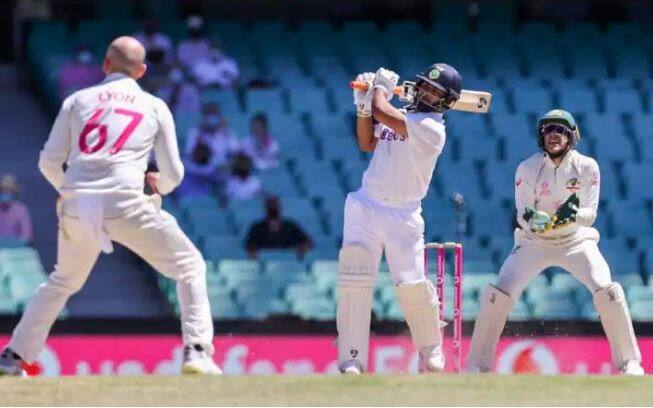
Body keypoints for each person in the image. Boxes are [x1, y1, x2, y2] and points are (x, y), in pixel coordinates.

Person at [0, 37, 220, 376]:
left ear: (105, 65)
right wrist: (156, 187)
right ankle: (197, 353)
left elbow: (48, 162)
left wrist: (71, 191)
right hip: (126, 200)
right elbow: (174, 174)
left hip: (77, 203)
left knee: (62, 282)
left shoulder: (77, 100)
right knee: (190, 267)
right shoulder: (154, 106)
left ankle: (14, 356)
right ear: (142, 71)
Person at [466, 109, 644, 376]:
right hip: (534, 241)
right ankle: (477, 367)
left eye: (561, 130)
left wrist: (568, 216)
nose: (554, 135)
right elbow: (523, 211)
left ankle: (630, 363)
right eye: (549, 130)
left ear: (572, 136)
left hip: (576, 241)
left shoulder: (587, 167)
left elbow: (590, 214)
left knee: (609, 292)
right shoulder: (527, 167)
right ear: (541, 136)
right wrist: (534, 220)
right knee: (496, 294)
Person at [337, 64, 462, 374]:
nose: (427, 93)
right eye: (425, 86)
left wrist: (377, 90)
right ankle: (352, 358)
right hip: (365, 205)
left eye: (436, 92)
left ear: (446, 102)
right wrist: (363, 107)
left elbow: (383, 111)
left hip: (403, 214)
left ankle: (431, 348)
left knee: (410, 284)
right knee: (354, 277)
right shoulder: (402, 115)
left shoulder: (433, 129)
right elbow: (367, 142)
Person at [176, 102, 239, 198]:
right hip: (199, 171)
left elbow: (236, 154)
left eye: (215, 115)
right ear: (203, 117)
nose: (212, 119)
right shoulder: (194, 132)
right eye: (209, 115)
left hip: (221, 171)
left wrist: (227, 165)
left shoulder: (226, 134)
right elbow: (190, 155)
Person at [245, 196, 313, 259]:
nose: (273, 208)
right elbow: (249, 245)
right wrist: (252, 250)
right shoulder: (257, 228)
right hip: (264, 262)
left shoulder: (290, 226)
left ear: (280, 208)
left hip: (288, 262)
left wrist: (303, 247)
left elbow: (308, 242)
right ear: (265, 208)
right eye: (270, 207)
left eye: (275, 206)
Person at [0, 175, 33, 243]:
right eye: (3, 190)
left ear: (15, 192)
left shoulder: (21, 210)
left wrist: (14, 243)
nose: (7, 193)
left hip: (17, 250)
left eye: (10, 190)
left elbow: (27, 237)